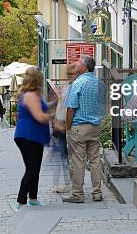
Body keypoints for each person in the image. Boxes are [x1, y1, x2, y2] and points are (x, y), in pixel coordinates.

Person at [63, 55, 106, 203]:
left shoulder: (78, 83)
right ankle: (97, 193)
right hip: (94, 127)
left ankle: (77, 194)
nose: (76, 65)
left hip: (79, 128)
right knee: (95, 161)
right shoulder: (100, 83)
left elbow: (70, 109)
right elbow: (103, 105)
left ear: (85, 68)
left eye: (79, 63)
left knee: (77, 161)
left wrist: (67, 127)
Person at [13, 67, 51, 211]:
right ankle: (21, 201)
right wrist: (54, 116)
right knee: (32, 168)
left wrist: (55, 103)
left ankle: (33, 198)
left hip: (32, 135)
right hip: (29, 135)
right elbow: (40, 116)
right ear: (38, 79)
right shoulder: (31, 96)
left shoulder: (30, 95)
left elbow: (42, 109)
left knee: (35, 168)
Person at [49, 63, 77, 194]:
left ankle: (69, 183)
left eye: (71, 74)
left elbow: (69, 109)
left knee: (65, 158)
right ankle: (64, 183)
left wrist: (61, 123)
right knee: (62, 157)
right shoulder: (67, 88)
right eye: (68, 74)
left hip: (65, 127)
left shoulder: (72, 89)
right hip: (59, 127)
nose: (69, 77)